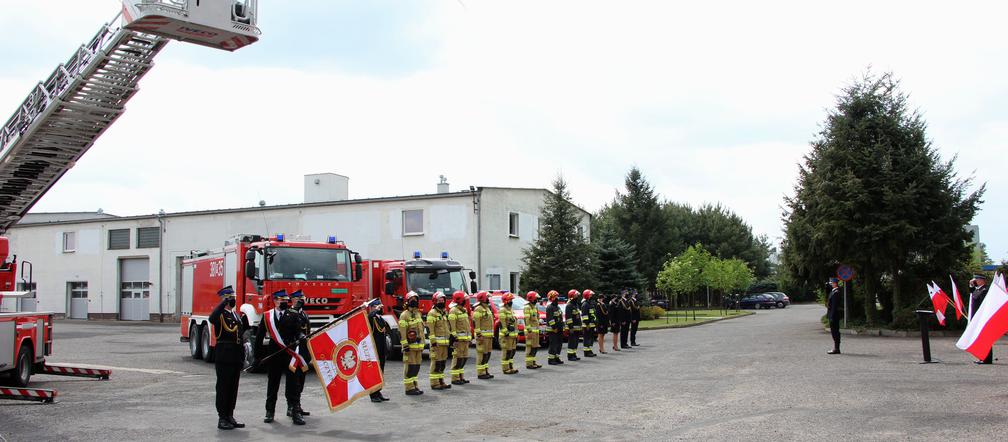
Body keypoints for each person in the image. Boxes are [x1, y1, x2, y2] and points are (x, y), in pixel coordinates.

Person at [254, 289, 305, 425]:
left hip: (289, 353)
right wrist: (257, 357)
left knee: (293, 384)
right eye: (282, 300)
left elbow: (298, 332)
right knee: (273, 384)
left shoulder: (292, 314)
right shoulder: (267, 316)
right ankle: (269, 412)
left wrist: (301, 337)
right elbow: (259, 338)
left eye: (286, 300)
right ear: (275, 301)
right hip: (274, 354)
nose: (284, 302)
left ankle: (295, 412)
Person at [210, 286, 246, 430]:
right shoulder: (220, 314)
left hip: (236, 355)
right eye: (230, 297)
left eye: (233, 297)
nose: (233, 299)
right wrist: (222, 303)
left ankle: (230, 415)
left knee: (233, 388)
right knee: (223, 388)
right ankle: (222, 417)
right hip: (224, 355)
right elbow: (211, 319)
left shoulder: (236, 315)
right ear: (225, 298)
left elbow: (241, 333)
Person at [286, 290, 311, 419]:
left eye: (303, 298)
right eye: (300, 298)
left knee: (301, 380)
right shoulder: (290, 313)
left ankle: (298, 405)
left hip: (304, 352)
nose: (303, 300)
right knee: (293, 381)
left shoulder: (305, 314)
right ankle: (291, 406)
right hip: (294, 352)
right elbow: (288, 328)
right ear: (294, 300)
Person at [399, 291, 425, 395]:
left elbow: (421, 331)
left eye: (416, 299)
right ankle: (409, 388)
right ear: (407, 301)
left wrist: (423, 344)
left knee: (416, 367)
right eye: (412, 299)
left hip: (418, 347)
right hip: (409, 347)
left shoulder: (418, 314)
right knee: (409, 368)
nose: (414, 301)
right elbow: (402, 332)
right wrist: (405, 345)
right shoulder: (404, 315)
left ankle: (415, 386)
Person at [426, 292, 452, 390]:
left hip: (444, 344)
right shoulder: (432, 313)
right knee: (436, 363)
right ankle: (434, 383)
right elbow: (430, 329)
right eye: (439, 300)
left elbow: (447, 327)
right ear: (435, 301)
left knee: (442, 363)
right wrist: (433, 341)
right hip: (436, 344)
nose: (442, 302)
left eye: (443, 300)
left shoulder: (444, 312)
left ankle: (441, 381)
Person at [368, 300, 391, 402]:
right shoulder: (371, 317)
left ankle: (378, 391)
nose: (380, 308)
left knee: (381, 371)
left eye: (380, 306)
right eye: (378, 306)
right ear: (372, 307)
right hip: (375, 349)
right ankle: (373, 394)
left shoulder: (380, 318)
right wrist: (374, 310)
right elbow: (370, 316)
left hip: (381, 349)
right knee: (374, 373)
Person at [448, 290, 472, 385]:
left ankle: (461, 377)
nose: (465, 301)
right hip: (458, 340)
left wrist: (469, 337)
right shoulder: (453, 311)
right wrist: (454, 338)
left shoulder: (463, 310)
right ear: (460, 300)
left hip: (465, 340)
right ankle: (455, 378)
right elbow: (452, 327)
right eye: (464, 299)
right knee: (457, 359)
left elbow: (467, 325)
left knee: (463, 358)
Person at [473, 291, 496, 379]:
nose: (488, 299)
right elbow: (476, 324)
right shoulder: (478, 309)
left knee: (487, 354)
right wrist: (479, 335)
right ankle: (481, 373)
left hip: (489, 336)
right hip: (483, 337)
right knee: (481, 354)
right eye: (487, 298)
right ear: (483, 298)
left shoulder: (487, 308)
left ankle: (485, 370)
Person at [970, 274, 992, 364]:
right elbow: (973, 295)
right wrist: (971, 285)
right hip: (977, 317)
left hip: (982, 317)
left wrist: (979, 317)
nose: (975, 281)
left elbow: (982, 305)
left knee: (985, 338)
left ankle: (986, 359)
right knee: (980, 338)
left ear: (981, 280)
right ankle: (982, 357)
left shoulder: (985, 290)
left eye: (976, 279)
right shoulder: (979, 289)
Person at [498, 292, 520, 374]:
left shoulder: (510, 310)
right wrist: (506, 332)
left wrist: (517, 334)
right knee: (506, 352)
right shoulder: (502, 310)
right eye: (510, 300)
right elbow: (502, 323)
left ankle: (511, 367)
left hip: (513, 336)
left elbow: (514, 322)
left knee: (512, 352)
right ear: (506, 301)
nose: (512, 301)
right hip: (506, 336)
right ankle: (505, 369)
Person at [523, 291, 543, 369]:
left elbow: (536, 318)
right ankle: (529, 364)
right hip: (530, 332)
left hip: (535, 331)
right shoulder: (527, 307)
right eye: (536, 299)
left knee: (535, 347)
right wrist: (529, 331)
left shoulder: (534, 307)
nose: (537, 300)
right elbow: (526, 320)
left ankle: (533, 362)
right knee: (530, 348)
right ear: (532, 299)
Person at [545, 290, 565, 365]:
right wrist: (554, 328)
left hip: (559, 328)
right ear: (551, 298)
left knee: (559, 344)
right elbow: (550, 319)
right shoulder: (550, 307)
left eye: (557, 296)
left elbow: (560, 317)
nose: (557, 298)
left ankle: (556, 357)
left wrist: (562, 326)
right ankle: (551, 359)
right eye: (555, 296)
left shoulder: (557, 307)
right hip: (553, 330)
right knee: (553, 344)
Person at [565, 289, 583, 361]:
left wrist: (580, 325)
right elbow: (568, 318)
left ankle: (574, 354)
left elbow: (578, 316)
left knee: (575, 342)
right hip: (572, 328)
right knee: (572, 342)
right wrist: (571, 327)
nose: (577, 297)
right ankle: (570, 356)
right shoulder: (569, 305)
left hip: (577, 327)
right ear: (572, 296)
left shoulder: (576, 305)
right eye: (576, 295)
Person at [826, 278, 842, 355]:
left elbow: (834, 306)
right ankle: (836, 348)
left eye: (832, 283)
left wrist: (831, 316)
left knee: (835, 332)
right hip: (833, 314)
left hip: (834, 315)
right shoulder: (834, 291)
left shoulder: (836, 292)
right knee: (834, 332)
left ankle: (836, 348)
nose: (831, 284)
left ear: (835, 283)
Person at [580, 289, 597, 357]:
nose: (591, 296)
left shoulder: (589, 303)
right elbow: (585, 316)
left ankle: (589, 350)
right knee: (587, 338)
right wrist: (587, 324)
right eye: (590, 295)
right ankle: (586, 352)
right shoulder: (585, 304)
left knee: (590, 338)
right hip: (587, 325)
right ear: (587, 295)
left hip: (591, 325)